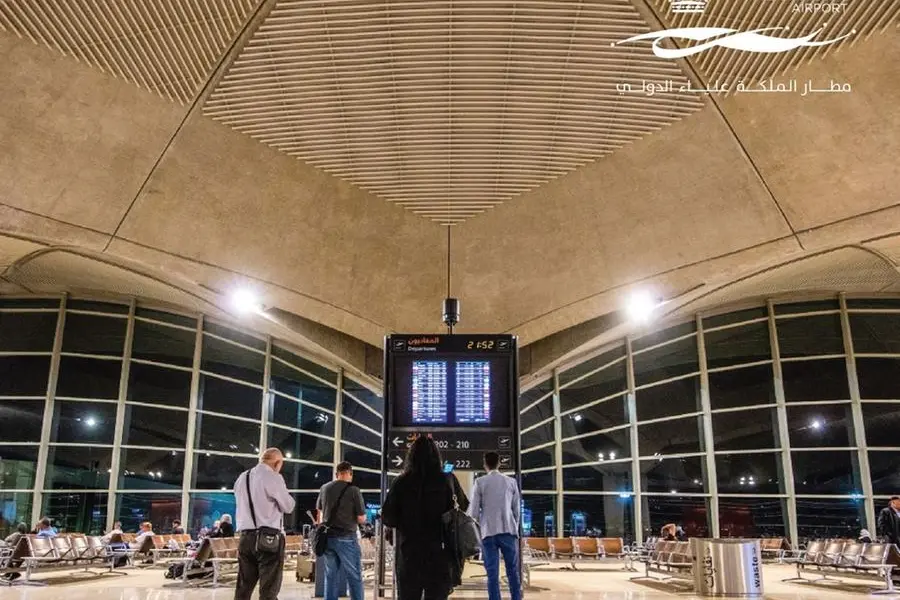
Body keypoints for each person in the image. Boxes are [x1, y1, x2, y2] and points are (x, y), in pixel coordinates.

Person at [382, 436, 469, 600]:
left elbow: (389, 518)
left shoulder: (401, 483)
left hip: (409, 554)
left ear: (411, 456)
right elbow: (462, 506)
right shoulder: (447, 480)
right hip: (440, 553)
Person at [233, 447, 296, 600]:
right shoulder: (273, 477)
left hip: (245, 537)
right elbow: (288, 506)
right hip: (269, 538)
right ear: (277, 463)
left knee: (243, 587)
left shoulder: (242, 477)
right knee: (269, 589)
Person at [469, 451, 521, 600]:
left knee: (492, 574)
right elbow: (516, 510)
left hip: (488, 532)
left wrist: (480, 525)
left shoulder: (480, 482)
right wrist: (514, 527)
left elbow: (473, 512)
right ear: (499, 464)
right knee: (513, 571)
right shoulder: (511, 482)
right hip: (508, 531)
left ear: (485, 464)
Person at [316, 462, 366, 600]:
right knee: (354, 575)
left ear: (336, 474)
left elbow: (319, 512)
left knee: (330, 576)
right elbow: (361, 518)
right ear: (350, 474)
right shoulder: (354, 490)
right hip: (347, 538)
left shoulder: (324, 488)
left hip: (328, 538)